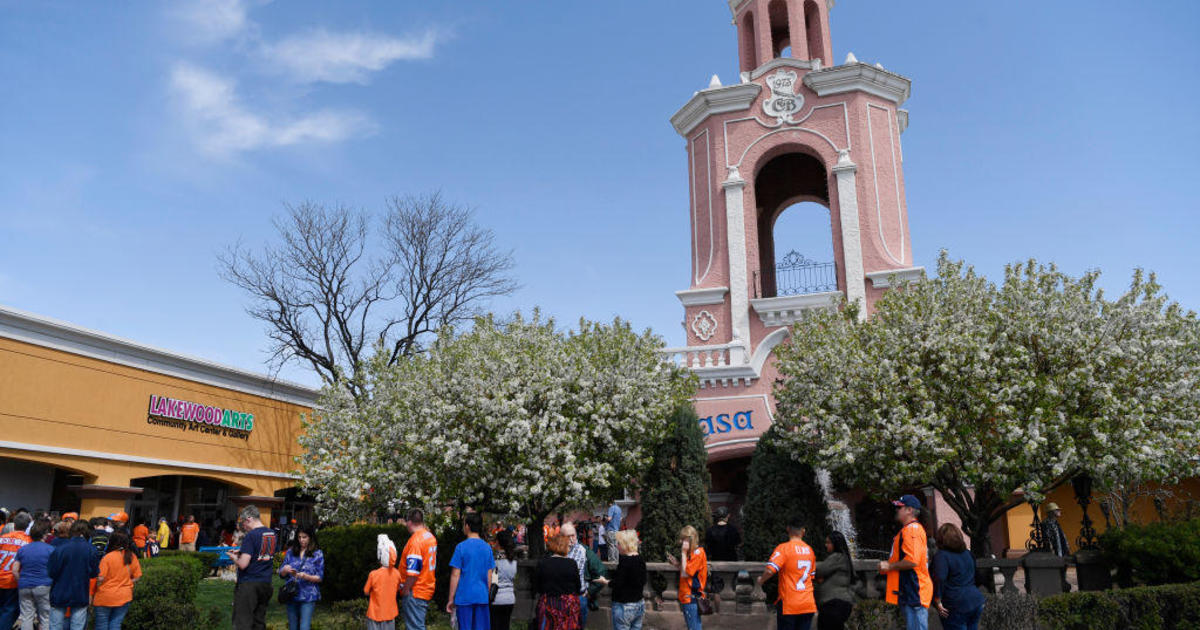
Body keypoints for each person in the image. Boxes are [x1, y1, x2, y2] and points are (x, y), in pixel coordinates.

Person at [879, 495, 933, 630]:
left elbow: (912, 560)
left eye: (900, 507)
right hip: (912, 592)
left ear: (909, 510)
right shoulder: (910, 529)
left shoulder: (911, 530)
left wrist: (889, 566)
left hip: (915, 591)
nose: (897, 510)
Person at [756, 518, 817, 630]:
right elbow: (812, 576)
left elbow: (770, 570)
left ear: (788, 529)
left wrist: (761, 580)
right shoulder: (810, 550)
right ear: (803, 531)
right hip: (807, 603)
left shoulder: (783, 548)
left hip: (789, 603)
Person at [227, 506, 278, 630]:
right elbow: (262, 551)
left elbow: (243, 564)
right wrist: (242, 551)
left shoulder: (251, 535)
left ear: (249, 519)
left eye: (243, 523)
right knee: (259, 622)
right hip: (266, 582)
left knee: (242, 622)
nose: (243, 527)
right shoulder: (271, 533)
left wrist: (233, 557)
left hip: (249, 583)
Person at [931, 524, 985, 630]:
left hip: (955, 603)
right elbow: (978, 576)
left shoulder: (942, 556)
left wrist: (937, 600)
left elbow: (939, 578)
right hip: (975, 600)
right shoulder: (968, 553)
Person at [47, 520, 98, 630]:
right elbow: (94, 573)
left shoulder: (60, 549)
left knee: (55, 625)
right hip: (80, 591)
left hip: (59, 591)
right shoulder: (91, 550)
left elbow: (51, 572)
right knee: (77, 626)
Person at [447, 513, 495, 630]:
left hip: (464, 597)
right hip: (482, 596)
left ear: (467, 526)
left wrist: (451, 599)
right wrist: (486, 593)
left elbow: (455, 575)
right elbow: (490, 575)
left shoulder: (461, 547)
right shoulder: (487, 547)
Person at [279, 526, 324, 630]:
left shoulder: (317, 554)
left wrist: (305, 576)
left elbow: (320, 577)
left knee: (304, 627)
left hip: (308, 595)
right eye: (299, 537)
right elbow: (281, 575)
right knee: (293, 627)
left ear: (310, 537)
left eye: (304, 537)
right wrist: (284, 570)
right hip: (291, 594)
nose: (301, 540)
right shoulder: (290, 552)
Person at [93, 532, 141, 630]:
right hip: (125, 595)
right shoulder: (131, 556)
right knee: (115, 624)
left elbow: (100, 578)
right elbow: (137, 576)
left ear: (112, 542)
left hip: (105, 596)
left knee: (101, 625)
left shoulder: (107, 557)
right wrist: (128, 582)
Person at [533, 534, 582, 630]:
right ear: (562, 546)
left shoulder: (543, 563)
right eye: (568, 545)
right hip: (568, 606)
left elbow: (537, 586)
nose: (569, 548)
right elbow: (578, 587)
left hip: (548, 604)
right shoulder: (571, 563)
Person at [398, 508, 437, 630]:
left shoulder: (415, 542)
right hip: (425, 587)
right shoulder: (429, 536)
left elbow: (413, 572)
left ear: (409, 522)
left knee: (415, 627)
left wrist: (405, 589)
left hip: (415, 590)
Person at [14, 518, 54, 630]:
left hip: (24, 584)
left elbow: (15, 570)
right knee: (45, 617)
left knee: (26, 616)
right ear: (44, 535)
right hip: (44, 584)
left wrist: (20, 581)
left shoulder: (23, 549)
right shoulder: (51, 549)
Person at [603, 530, 646, 630]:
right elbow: (643, 581)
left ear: (625, 544)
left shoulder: (625, 561)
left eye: (619, 543)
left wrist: (606, 582)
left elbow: (618, 583)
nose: (617, 546)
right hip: (639, 604)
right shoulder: (640, 559)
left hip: (624, 605)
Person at [667, 525, 707, 630]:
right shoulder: (693, 553)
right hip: (688, 596)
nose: (680, 541)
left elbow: (686, 573)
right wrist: (677, 564)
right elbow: (687, 571)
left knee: (694, 627)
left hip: (691, 597)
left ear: (690, 539)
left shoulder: (698, 553)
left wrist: (683, 553)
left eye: (683, 538)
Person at [815, 531, 856, 630]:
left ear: (835, 543)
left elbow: (819, 570)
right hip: (839, 604)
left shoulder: (837, 557)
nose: (826, 545)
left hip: (833, 605)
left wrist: (805, 561)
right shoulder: (844, 557)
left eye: (828, 543)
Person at [0, 512, 34, 629]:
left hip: (1, 578)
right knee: (9, 611)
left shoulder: (2, 538)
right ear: (28, 526)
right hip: (13, 580)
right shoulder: (29, 541)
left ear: (14, 525)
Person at [364, 534, 401, 630]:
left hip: (374, 614)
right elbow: (397, 589)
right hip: (390, 615)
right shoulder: (397, 574)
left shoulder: (373, 574)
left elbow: (366, 591)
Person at [559, 523, 590, 627]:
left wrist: (590, 590)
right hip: (561, 597)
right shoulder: (557, 550)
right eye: (568, 536)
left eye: (573, 535)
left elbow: (599, 571)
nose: (572, 539)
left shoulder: (582, 550)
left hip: (579, 596)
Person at [1039, 502, 1071, 592]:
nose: (1059, 511)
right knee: (1056, 571)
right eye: (1057, 510)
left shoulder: (1055, 522)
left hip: (1061, 551)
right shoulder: (1047, 523)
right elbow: (1048, 539)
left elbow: (1060, 537)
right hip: (1055, 552)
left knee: (1063, 570)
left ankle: (1062, 585)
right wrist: (1052, 551)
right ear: (1051, 512)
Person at [490, 530, 519, 630]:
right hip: (510, 598)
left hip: (496, 599)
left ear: (498, 542)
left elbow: (493, 580)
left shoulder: (495, 560)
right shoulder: (513, 561)